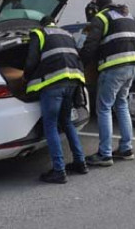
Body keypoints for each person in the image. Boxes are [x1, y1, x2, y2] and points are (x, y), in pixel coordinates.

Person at [24, 16, 88, 184]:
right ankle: (80, 163)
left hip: (53, 85)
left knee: (50, 124)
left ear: (42, 24)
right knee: (67, 122)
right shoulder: (67, 34)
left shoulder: (39, 33)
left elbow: (31, 62)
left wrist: (26, 78)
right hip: (72, 82)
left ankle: (59, 171)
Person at [81, 0, 135, 166]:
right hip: (132, 65)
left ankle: (105, 154)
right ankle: (126, 149)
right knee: (122, 104)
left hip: (113, 67)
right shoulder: (128, 15)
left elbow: (90, 45)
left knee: (104, 108)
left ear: (99, 7)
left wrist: (80, 63)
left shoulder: (101, 17)